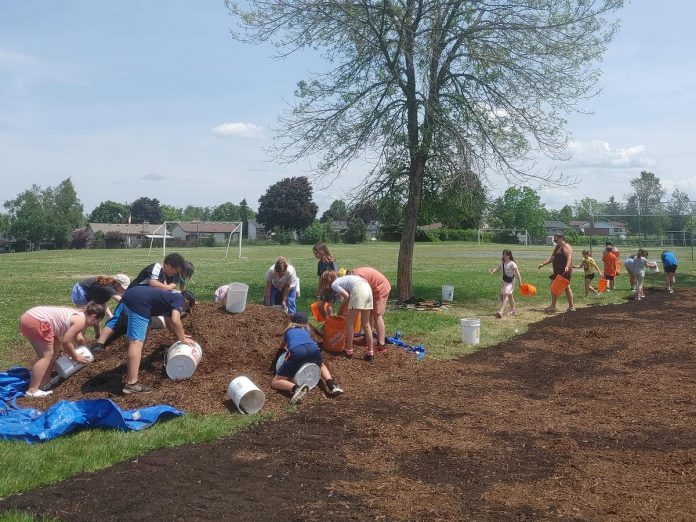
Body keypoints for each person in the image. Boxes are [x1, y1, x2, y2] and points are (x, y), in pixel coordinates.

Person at [93, 253, 188, 351]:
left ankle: (137, 345)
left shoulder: (168, 276)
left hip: (143, 303)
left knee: (146, 323)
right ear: (167, 265)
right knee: (117, 319)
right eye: (175, 270)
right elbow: (153, 283)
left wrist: (179, 334)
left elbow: (169, 318)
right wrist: (169, 287)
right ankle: (99, 344)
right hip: (131, 297)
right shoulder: (157, 267)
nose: (175, 273)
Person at [119, 285, 196, 394]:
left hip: (131, 295)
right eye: (186, 309)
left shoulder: (170, 298)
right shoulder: (179, 299)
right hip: (139, 301)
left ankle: (135, 361)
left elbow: (170, 324)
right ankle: (132, 384)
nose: (184, 311)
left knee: (147, 325)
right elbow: (175, 320)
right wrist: (183, 338)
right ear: (186, 302)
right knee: (136, 343)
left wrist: (180, 336)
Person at [19, 303, 106, 397]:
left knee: (55, 346)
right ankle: (32, 390)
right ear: (93, 316)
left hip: (30, 317)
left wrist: (84, 348)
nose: (94, 325)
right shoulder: (80, 321)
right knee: (46, 356)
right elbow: (66, 342)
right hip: (37, 321)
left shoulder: (78, 315)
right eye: (97, 322)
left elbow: (78, 337)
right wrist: (76, 357)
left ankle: (45, 381)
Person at [272, 312, 344, 404]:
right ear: (306, 323)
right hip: (313, 348)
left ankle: (296, 388)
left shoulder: (288, 330)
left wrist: (283, 350)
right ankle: (332, 385)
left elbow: (283, 346)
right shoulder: (306, 330)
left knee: (276, 382)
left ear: (292, 322)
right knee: (320, 365)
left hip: (297, 351)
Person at [320, 270, 375, 361]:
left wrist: (340, 308)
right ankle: (370, 353)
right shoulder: (343, 279)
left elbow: (347, 297)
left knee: (349, 323)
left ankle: (349, 351)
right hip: (368, 289)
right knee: (366, 324)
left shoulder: (334, 284)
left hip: (359, 289)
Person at [70, 274, 130, 339]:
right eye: (123, 288)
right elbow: (120, 300)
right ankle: (79, 342)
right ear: (117, 284)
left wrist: (111, 316)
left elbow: (103, 301)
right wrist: (134, 304)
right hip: (81, 291)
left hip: (92, 294)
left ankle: (98, 336)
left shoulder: (110, 287)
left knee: (96, 315)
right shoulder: (108, 287)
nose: (124, 290)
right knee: (85, 318)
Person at [538, 233, 575, 312]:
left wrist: (567, 266)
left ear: (561, 238)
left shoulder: (566, 246)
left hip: (564, 271)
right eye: (554, 240)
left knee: (561, 288)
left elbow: (569, 257)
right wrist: (543, 264)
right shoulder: (557, 247)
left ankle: (556, 306)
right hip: (557, 271)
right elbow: (552, 258)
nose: (555, 241)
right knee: (564, 288)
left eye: (556, 240)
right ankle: (567, 307)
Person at [488, 250, 522, 318]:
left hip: (511, 282)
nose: (504, 256)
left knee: (505, 294)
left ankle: (501, 311)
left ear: (509, 256)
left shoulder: (512, 264)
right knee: (510, 295)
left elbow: (518, 274)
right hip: (504, 281)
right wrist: (493, 271)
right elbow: (497, 269)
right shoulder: (502, 263)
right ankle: (513, 310)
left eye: (506, 254)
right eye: (503, 254)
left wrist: (520, 283)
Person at [313, 242, 338, 319]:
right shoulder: (320, 263)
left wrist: (336, 289)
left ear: (322, 252)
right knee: (319, 306)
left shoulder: (331, 262)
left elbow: (336, 275)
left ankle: (330, 323)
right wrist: (319, 288)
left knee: (329, 307)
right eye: (314, 253)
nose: (315, 255)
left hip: (331, 287)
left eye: (316, 253)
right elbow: (320, 276)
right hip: (323, 288)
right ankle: (327, 321)